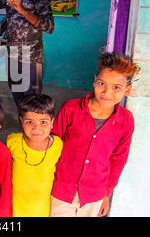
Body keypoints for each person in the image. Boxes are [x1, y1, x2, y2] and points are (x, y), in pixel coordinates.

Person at [50, 52, 140, 217]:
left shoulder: (126, 121)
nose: (107, 92)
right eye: (101, 83)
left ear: (127, 90)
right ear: (94, 80)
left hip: (94, 195)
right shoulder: (71, 109)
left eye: (116, 87)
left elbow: (119, 158)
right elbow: (51, 145)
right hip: (61, 191)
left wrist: (107, 193)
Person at [7, 94, 63, 217]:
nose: (36, 128)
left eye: (43, 122)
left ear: (52, 123)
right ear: (21, 121)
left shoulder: (58, 145)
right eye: (29, 122)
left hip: (43, 210)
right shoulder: (13, 142)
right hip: (15, 208)